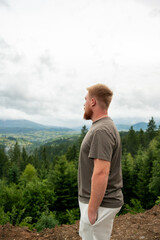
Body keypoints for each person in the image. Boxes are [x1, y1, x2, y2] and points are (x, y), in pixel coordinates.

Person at [78, 83, 124, 240]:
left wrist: (91, 210)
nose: (83, 104)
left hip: (100, 205)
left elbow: (101, 172)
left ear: (93, 102)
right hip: (100, 203)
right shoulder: (103, 127)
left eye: (85, 100)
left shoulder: (101, 131)